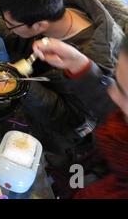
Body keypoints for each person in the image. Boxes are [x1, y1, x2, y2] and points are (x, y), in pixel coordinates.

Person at [0, 0, 124, 160]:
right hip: (29, 105)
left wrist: (21, 84)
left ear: (40, 26)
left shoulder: (93, 59)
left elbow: (69, 120)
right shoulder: (53, 8)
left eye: (11, 24)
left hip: (55, 144)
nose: (9, 26)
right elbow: (23, 33)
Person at [31, 36, 128, 198]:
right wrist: (78, 64)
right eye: (116, 82)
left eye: (122, 92)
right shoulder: (117, 141)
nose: (111, 92)